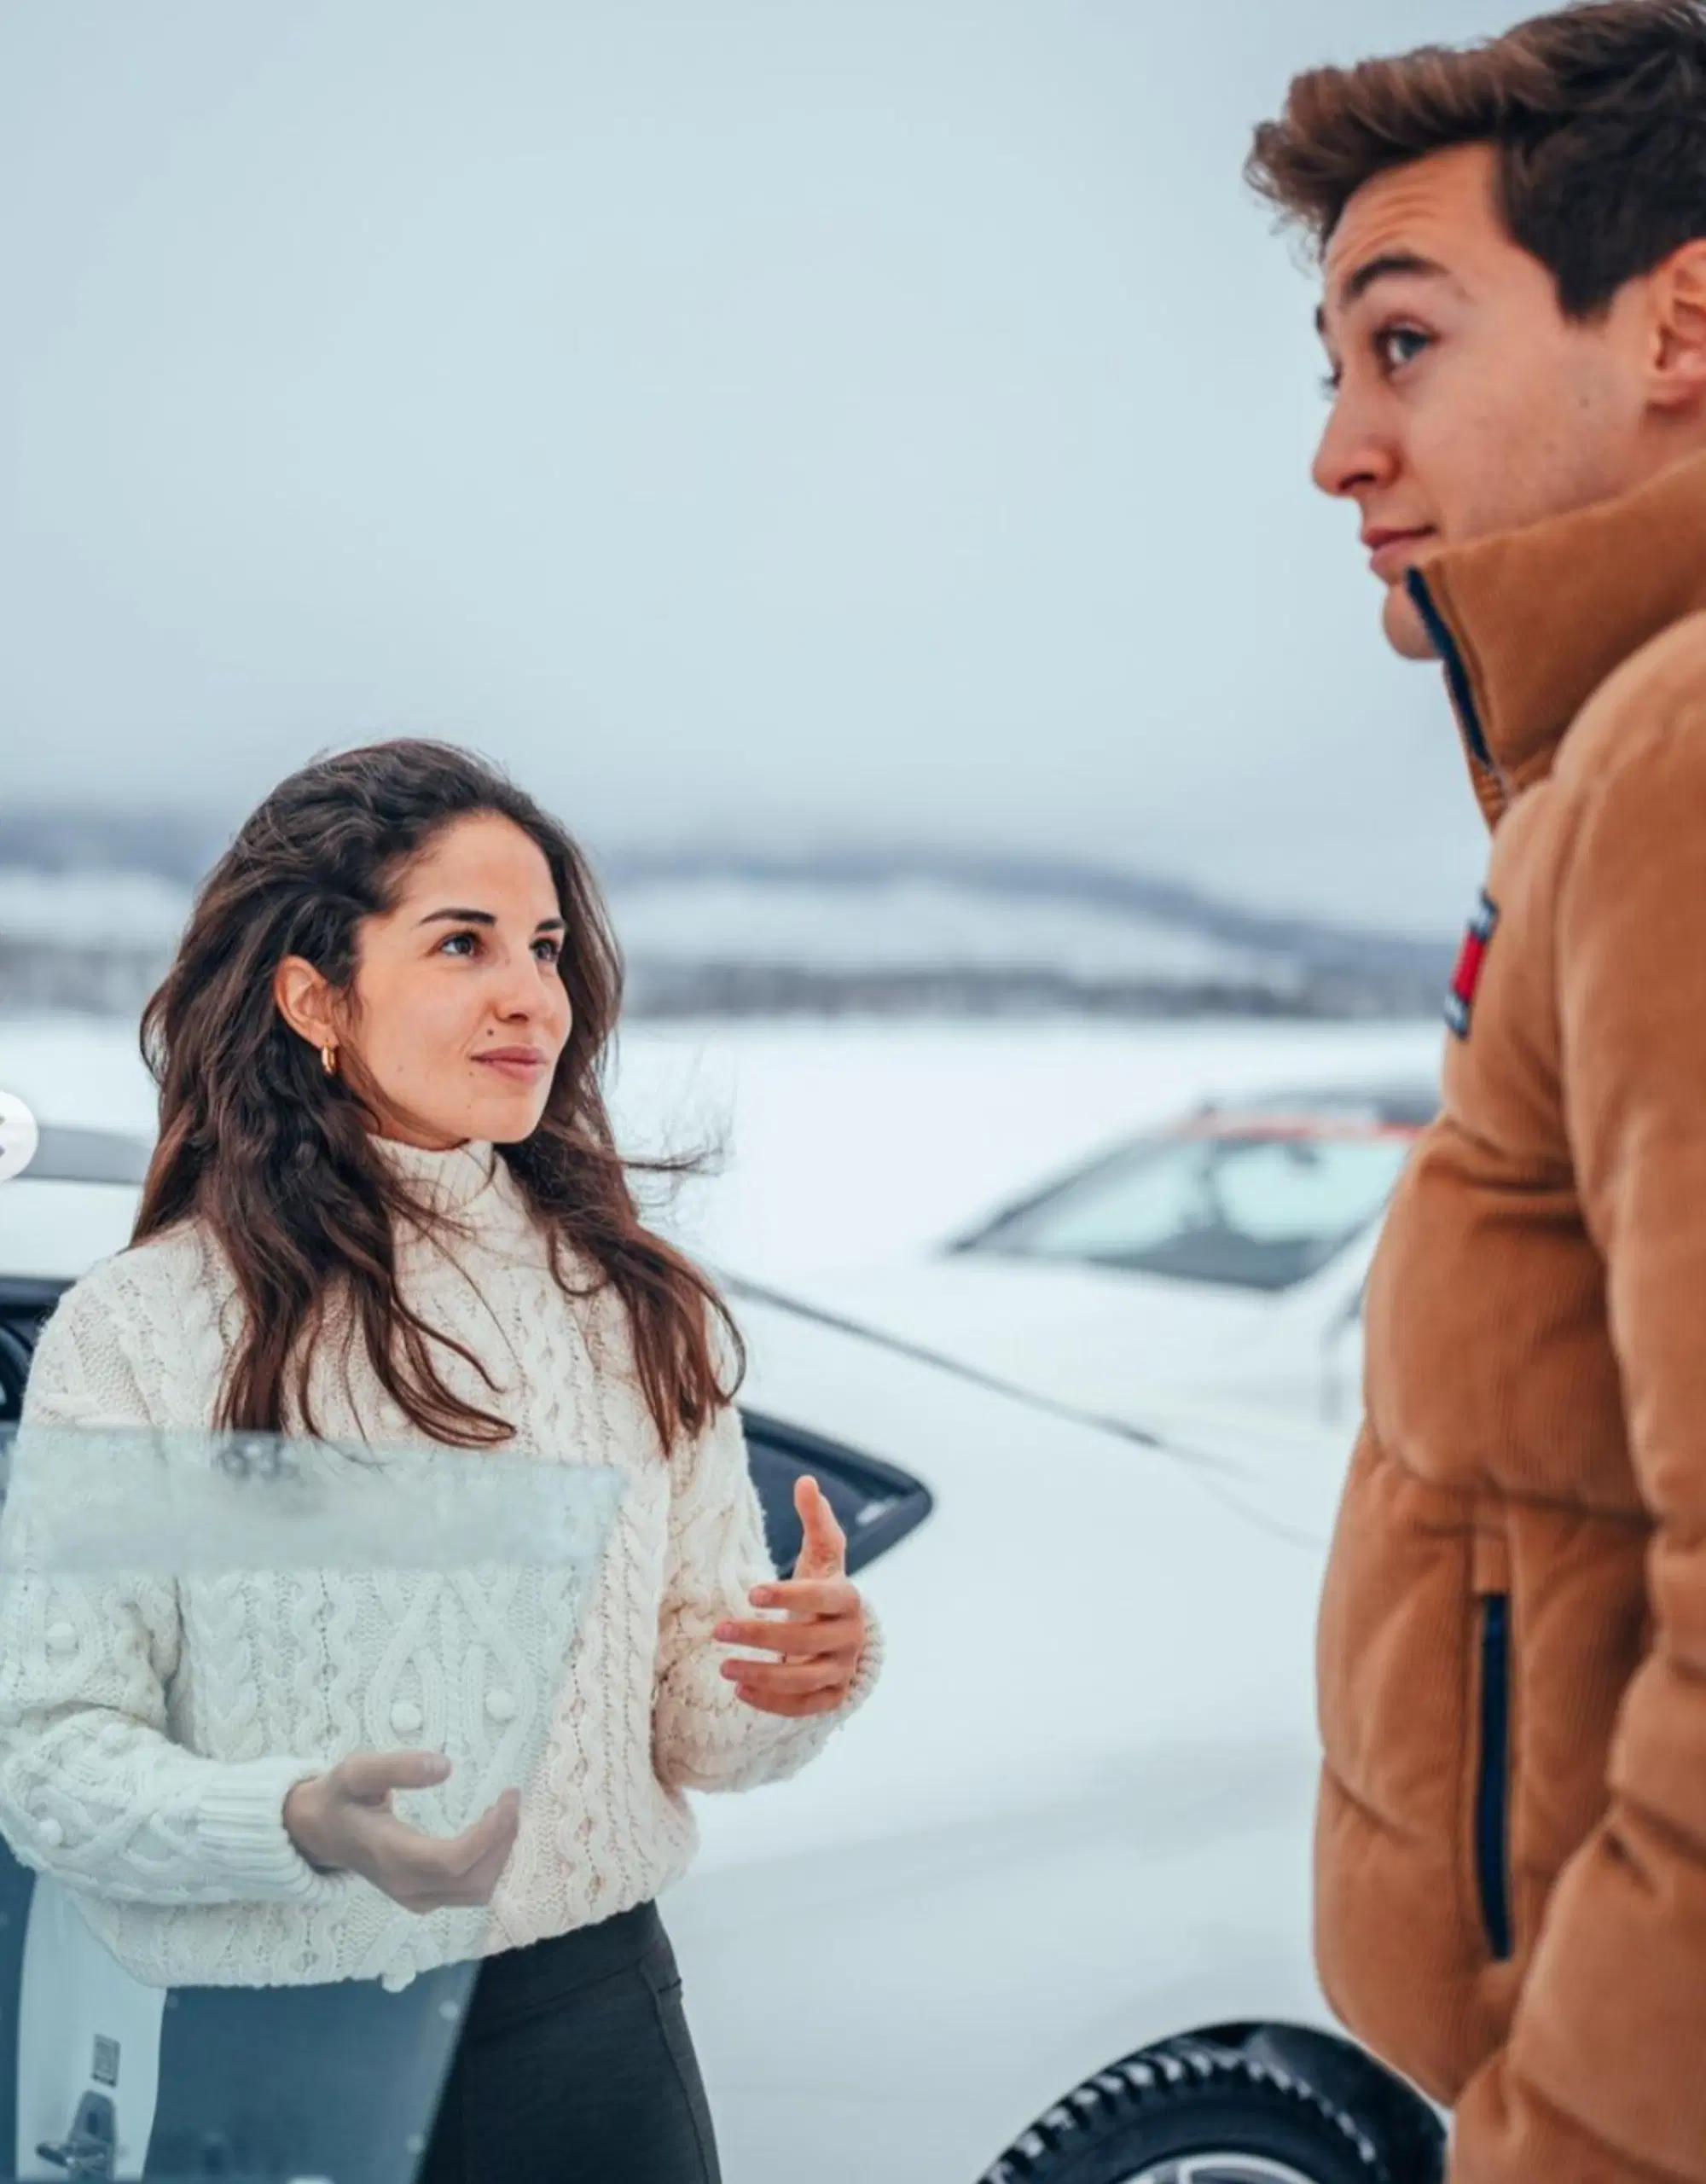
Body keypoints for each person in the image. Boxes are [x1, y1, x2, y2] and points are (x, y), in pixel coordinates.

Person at [0, 739, 882, 2183]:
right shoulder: (143, 1331)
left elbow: (689, 1725)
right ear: (313, 995)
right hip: (274, 2070)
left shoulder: (632, 1306)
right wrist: (292, 1822)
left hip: (594, 2044)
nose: (534, 993)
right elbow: (49, 1762)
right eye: (462, 943)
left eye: (543, 946)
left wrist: (796, 1676)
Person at [1245, 5, 1706, 2180]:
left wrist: (1572, 2136)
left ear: (1678, 321)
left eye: (1401, 343)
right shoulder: (1601, 768)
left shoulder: (1676, 763)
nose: (1340, 447)